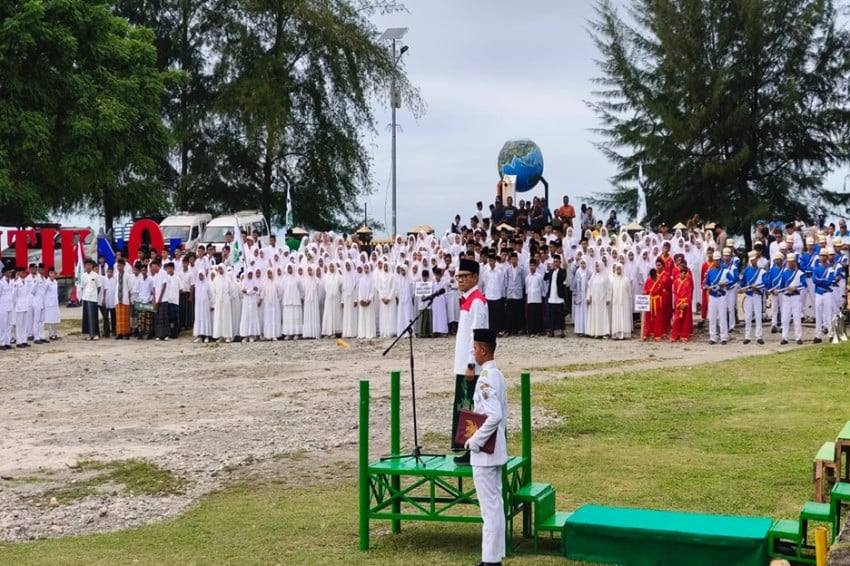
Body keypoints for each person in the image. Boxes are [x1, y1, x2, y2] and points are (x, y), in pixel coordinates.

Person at [464, 328, 507, 566]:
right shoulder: (496, 374)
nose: (473, 352)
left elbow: (494, 415)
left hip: (486, 452)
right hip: (495, 449)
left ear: (482, 349)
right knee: (495, 505)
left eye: (474, 348)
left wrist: (475, 441)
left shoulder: (487, 377)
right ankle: (494, 555)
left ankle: (490, 561)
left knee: (489, 509)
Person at [452, 258, 489, 465]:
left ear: (475, 277)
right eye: (459, 277)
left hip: (471, 367)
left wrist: (470, 364)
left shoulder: (476, 301)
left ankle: (471, 448)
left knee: (470, 408)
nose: (461, 280)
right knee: (464, 407)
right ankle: (466, 448)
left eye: (465, 277)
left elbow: (477, 335)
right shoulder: (467, 299)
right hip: (462, 364)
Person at [741, 251, 767, 345]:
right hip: (748, 295)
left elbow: (766, 283)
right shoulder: (747, 270)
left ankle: (759, 336)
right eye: (752, 260)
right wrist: (743, 287)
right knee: (747, 316)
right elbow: (743, 283)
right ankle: (747, 336)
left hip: (757, 295)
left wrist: (758, 286)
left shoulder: (762, 271)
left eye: (755, 260)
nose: (754, 261)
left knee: (758, 316)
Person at [543, 254, 568, 338]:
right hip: (551, 296)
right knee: (552, 315)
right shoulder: (551, 271)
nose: (555, 263)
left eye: (557, 262)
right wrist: (547, 270)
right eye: (554, 262)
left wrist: (560, 269)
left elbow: (564, 277)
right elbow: (545, 278)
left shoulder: (562, 271)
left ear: (559, 262)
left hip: (559, 296)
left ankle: (562, 331)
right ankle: (552, 330)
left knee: (560, 315)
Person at [80, 258, 102, 341]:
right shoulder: (83, 276)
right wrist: (85, 295)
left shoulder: (95, 275)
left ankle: (95, 334)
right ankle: (89, 334)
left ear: (92, 266)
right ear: (85, 266)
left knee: (93, 316)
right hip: (86, 298)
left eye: (89, 265)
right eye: (86, 265)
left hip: (93, 298)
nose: (88, 266)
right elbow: (82, 287)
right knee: (87, 317)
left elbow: (99, 287)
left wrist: (95, 295)